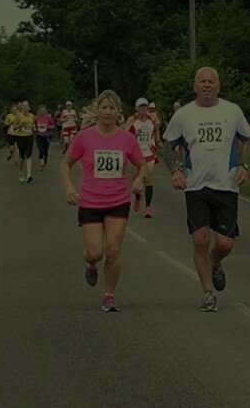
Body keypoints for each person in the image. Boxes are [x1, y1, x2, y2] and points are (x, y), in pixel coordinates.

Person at [162, 66, 250, 312]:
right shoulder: (183, 115)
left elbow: (248, 139)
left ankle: (215, 263)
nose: (206, 85)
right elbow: (167, 146)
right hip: (196, 186)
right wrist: (175, 171)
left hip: (226, 185)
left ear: (218, 86)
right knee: (200, 239)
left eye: (211, 82)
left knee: (225, 244)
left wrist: (243, 165)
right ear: (194, 86)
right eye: (201, 81)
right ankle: (207, 293)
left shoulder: (232, 111)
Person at [60, 89, 148, 312]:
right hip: (90, 201)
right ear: (97, 110)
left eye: (112, 108)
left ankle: (109, 294)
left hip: (118, 200)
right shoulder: (84, 137)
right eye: (104, 107)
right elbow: (65, 164)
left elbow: (142, 164)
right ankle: (90, 263)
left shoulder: (127, 139)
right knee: (96, 252)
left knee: (113, 250)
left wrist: (140, 178)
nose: (107, 112)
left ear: (119, 112)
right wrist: (69, 186)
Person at [125, 97, 161, 217]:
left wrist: (158, 140)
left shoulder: (152, 118)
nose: (143, 108)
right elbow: (124, 135)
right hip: (135, 154)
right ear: (136, 108)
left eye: (145, 106)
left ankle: (148, 207)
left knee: (148, 178)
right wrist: (135, 134)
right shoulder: (132, 119)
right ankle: (138, 197)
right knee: (136, 181)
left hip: (149, 152)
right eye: (141, 106)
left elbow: (156, 130)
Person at [11, 100, 35, 183]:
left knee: (29, 156)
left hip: (29, 137)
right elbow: (14, 128)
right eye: (23, 106)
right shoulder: (19, 116)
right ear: (21, 107)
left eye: (26, 106)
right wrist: (20, 125)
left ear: (28, 107)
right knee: (22, 157)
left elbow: (33, 126)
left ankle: (29, 175)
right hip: (20, 137)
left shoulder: (32, 116)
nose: (25, 107)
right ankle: (21, 172)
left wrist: (34, 128)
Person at [34, 105, 56, 171]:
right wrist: (35, 128)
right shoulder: (36, 118)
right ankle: (42, 164)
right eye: (41, 111)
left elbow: (53, 125)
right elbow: (33, 125)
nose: (42, 112)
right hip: (39, 135)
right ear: (39, 111)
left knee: (45, 150)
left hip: (46, 136)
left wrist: (49, 127)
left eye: (44, 111)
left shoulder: (48, 118)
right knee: (41, 149)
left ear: (45, 111)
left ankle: (45, 157)